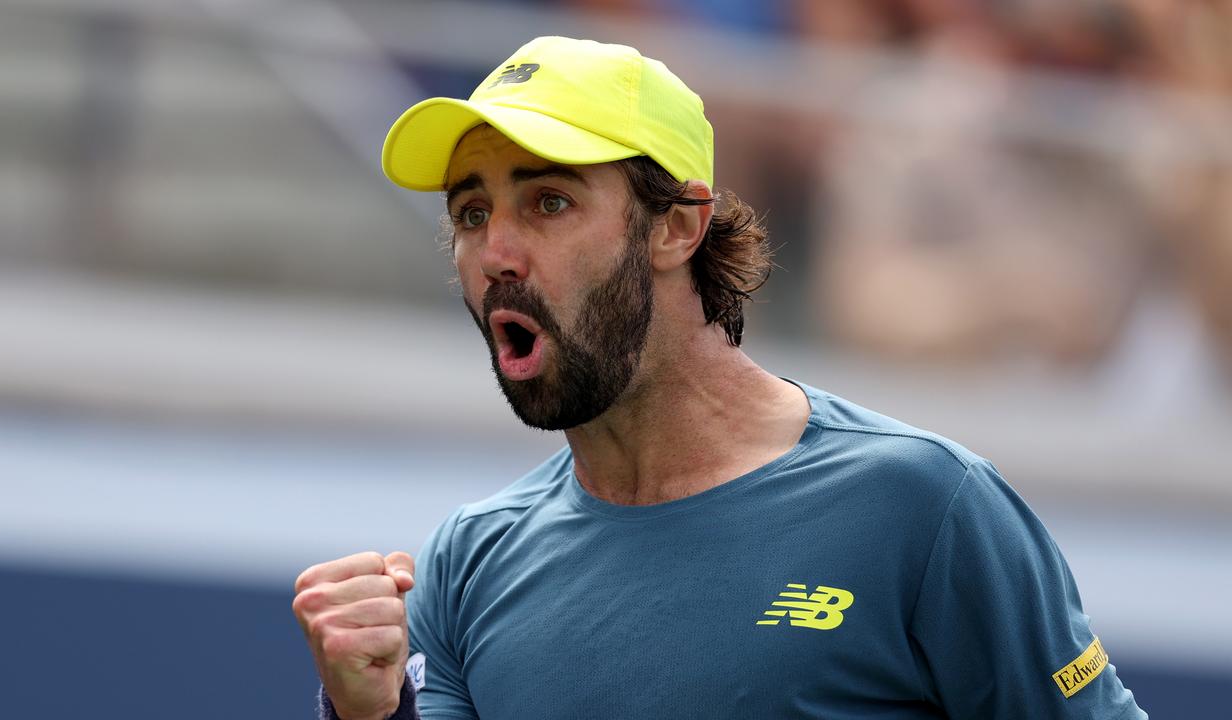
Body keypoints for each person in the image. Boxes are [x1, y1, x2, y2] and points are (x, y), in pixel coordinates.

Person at [292, 36, 1146, 720]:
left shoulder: (924, 504)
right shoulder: (469, 563)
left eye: (548, 202)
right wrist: (368, 714)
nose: (496, 254)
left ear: (677, 227)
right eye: (471, 214)